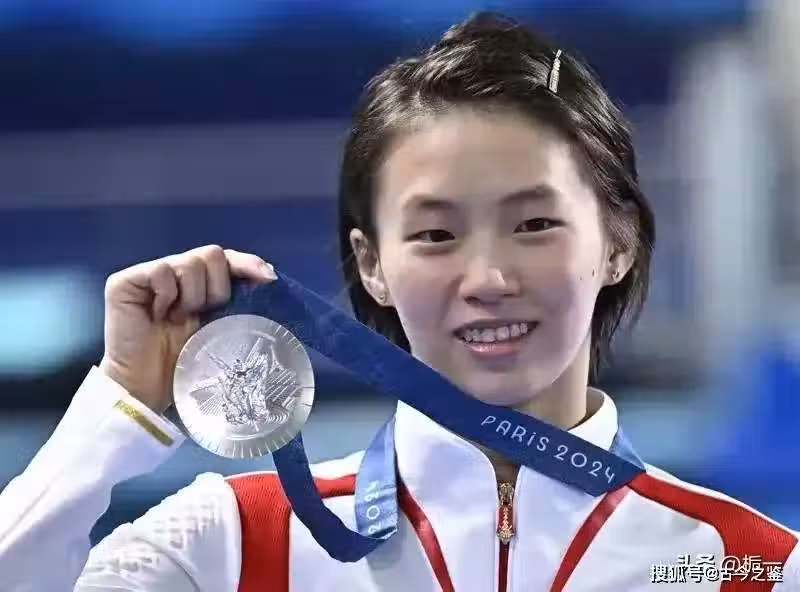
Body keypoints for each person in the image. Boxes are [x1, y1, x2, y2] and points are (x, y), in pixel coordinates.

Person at [0, 11, 798, 592]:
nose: (488, 278)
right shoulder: (231, 544)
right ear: (372, 265)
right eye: (436, 235)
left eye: (534, 224)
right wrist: (118, 412)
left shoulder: (746, 564)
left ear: (617, 242)